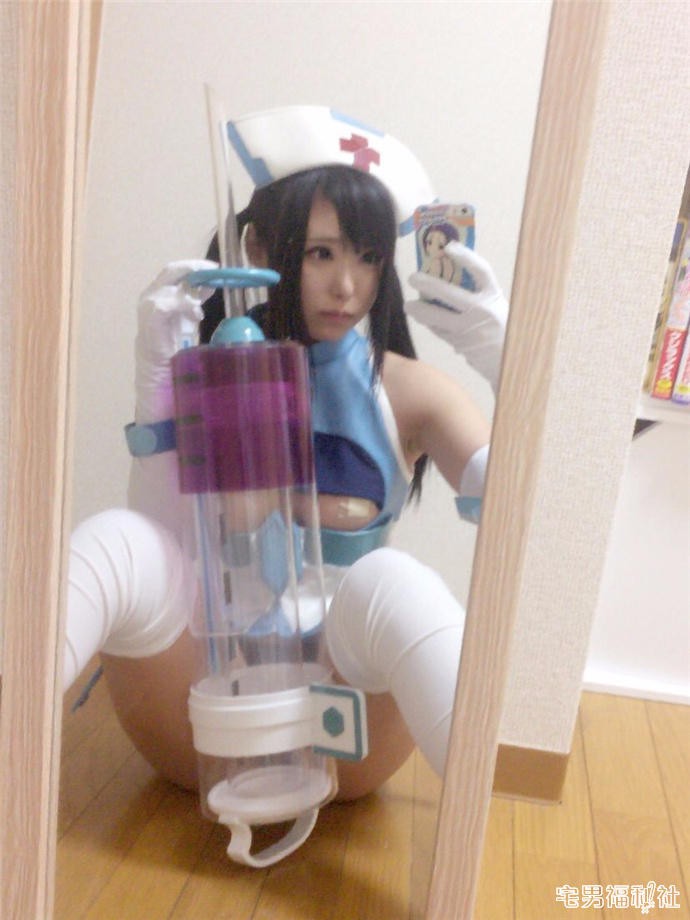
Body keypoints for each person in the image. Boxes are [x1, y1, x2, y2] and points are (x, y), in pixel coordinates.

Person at [64, 107, 508, 811]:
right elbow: (165, 542)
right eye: (321, 254)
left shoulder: (408, 391)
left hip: (341, 728)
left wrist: (507, 359)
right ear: (261, 245)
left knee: (391, 580)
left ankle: (482, 807)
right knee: (118, 540)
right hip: (202, 719)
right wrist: (158, 400)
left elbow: (515, 511)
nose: (347, 287)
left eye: (367, 257)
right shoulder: (220, 371)